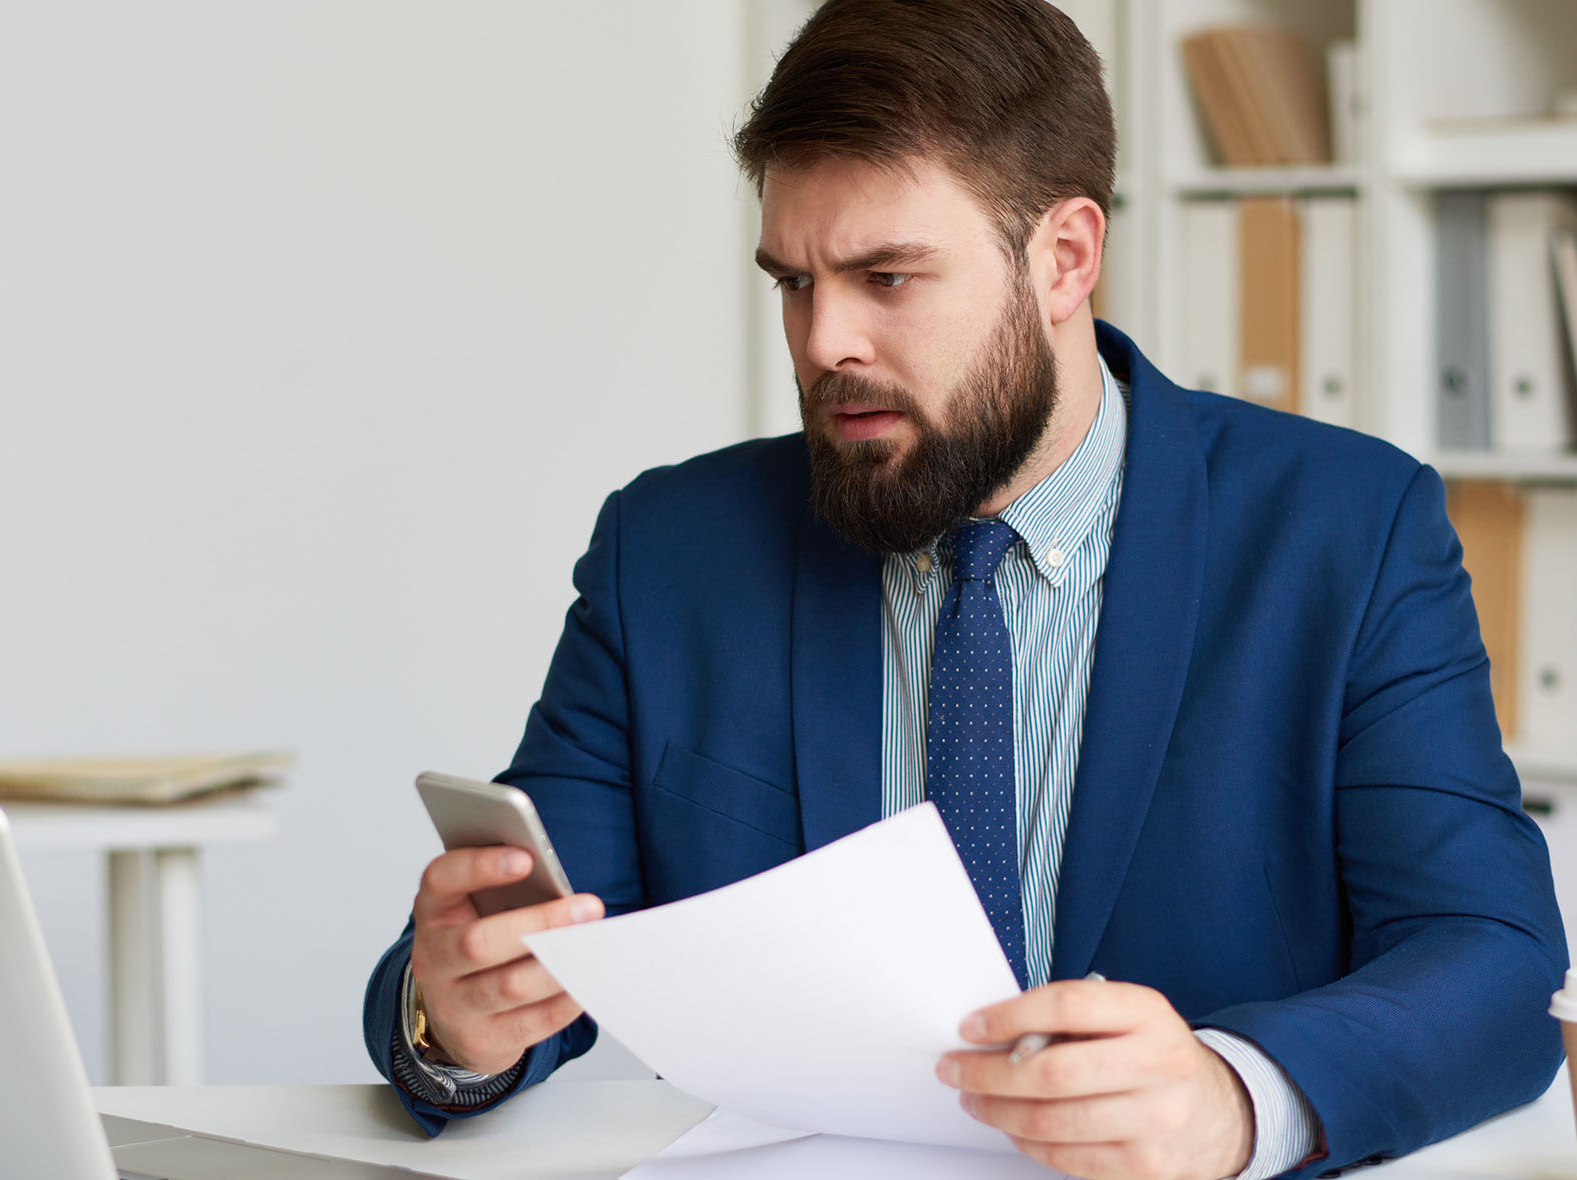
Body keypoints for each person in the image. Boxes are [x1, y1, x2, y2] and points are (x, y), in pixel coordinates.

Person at [362, 2, 1568, 1177]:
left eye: (886, 277)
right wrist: (455, 1018)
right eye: (793, 281)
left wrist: (1237, 1097)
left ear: (1064, 257)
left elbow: (1494, 958)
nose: (824, 339)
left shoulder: (1345, 532)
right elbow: (530, 941)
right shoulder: (669, 551)